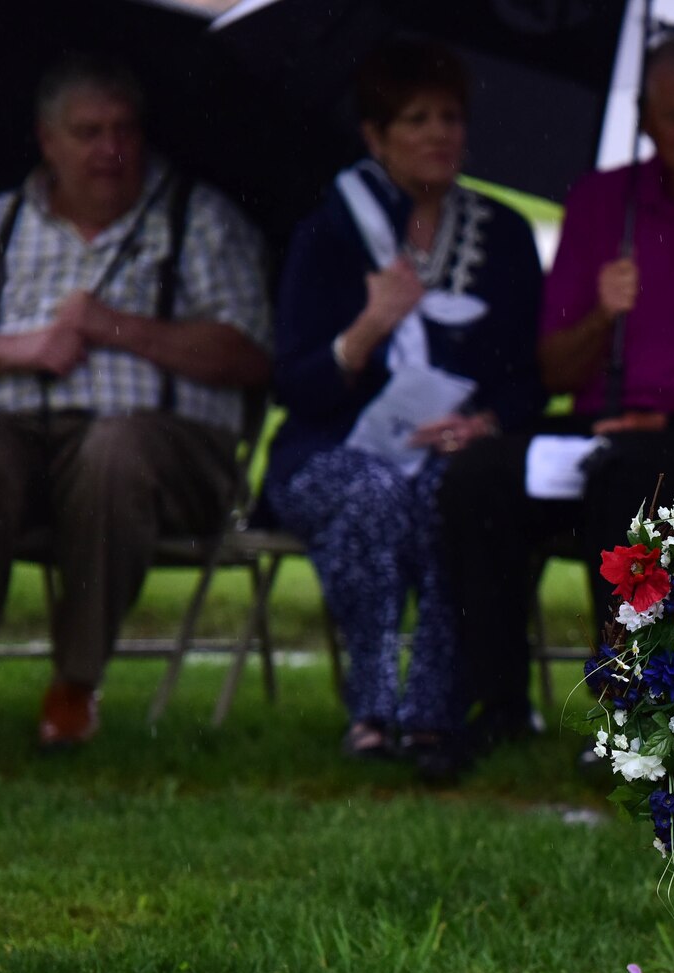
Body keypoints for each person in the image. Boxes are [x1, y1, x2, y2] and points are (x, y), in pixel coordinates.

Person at [437, 34, 674, 752]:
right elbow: (556, 371)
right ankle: (497, 708)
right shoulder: (604, 204)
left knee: (631, 480)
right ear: (646, 119)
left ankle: (633, 712)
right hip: (596, 426)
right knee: (477, 479)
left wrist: (670, 418)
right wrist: (601, 312)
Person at [0, 54, 270, 750]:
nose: (110, 149)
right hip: (22, 432)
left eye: (124, 130)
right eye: (88, 132)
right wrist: (25, 349)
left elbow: (248, 356)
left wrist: (115, 327)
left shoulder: (197, 217)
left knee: (114, 451)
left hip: (168, 445)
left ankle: (75, 683)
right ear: (47, 140)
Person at [268, 39, 542, 770]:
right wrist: (368, 326)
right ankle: (374, 705)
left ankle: (433, 714)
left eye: (449, 117)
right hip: (332, 450)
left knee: (448, 493)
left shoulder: (505, 236)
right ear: (375, 136)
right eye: (415, 119)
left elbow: (528, 377)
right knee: (379, 496)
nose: (437, 134)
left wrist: (483, 424)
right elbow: (295, 383)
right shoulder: (326, 236)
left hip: (454, 449)